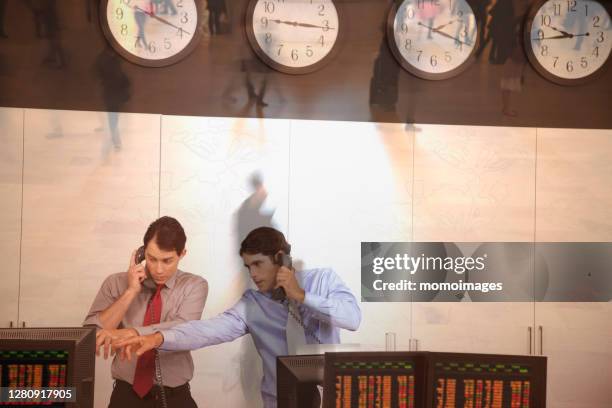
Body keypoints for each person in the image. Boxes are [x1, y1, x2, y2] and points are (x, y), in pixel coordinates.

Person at [115, 226, 361, 408]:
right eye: (248, 267)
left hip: (333, 400)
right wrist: (156, 338)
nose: (252, 274)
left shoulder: (322, 280)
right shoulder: (252, 303)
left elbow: (352, 318)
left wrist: (301, 295)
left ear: (280, 259)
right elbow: (207, 330)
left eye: (258, 264)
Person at [83, 216, 208, 408]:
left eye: (167, 261)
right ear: (141, 254)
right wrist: (131, 291)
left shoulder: (194, 285)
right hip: (126, 396)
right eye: (152, 259)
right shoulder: (115, 283)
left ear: (182, 254)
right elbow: (92, 336)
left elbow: (184, 328)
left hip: (175, 397)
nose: (159, 269)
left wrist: (132, 333)